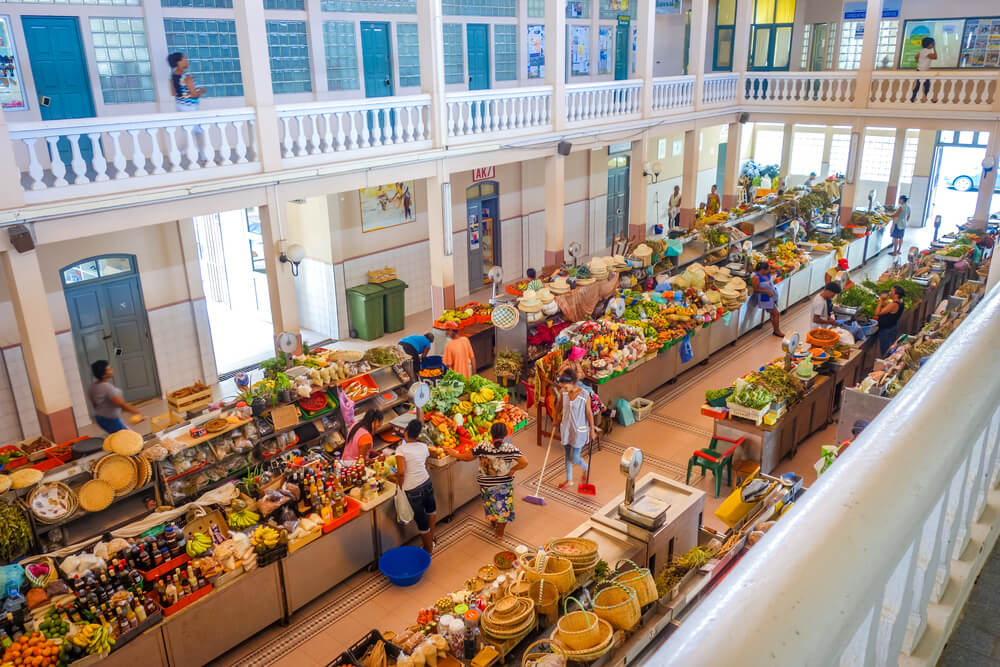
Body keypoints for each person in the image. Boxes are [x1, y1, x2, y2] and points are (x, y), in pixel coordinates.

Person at [446, 422, 528, 539]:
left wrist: (456, 454)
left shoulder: (482, 446)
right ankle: (499, 534)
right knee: (503, 509)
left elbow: (468, 457)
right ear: (505, 435)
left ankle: (493, 522)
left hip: (486, 485)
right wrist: (513, 469)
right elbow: (525, 462)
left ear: (491, 434)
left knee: (490, 505)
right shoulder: (510, 448)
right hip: (503, 485)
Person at [394, 417, 436, 554]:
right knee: (431, 510)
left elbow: (401, 472)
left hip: (412, 488)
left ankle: (428, 549)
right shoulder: (424, 447)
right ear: (418, 435)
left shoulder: (401, 450)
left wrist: (399, 486)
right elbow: (425, 465)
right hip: (426, 481)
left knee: (421, 520)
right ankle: (432, 538)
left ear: (405, 432)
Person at [557, 370, 596, 491]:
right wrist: (555, 418)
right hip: (567, 428)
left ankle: (585, 467)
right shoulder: (563, 392)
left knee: (574, 457)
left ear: (573, 382)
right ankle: (569, 480)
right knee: (567, 455)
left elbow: (589, 413)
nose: (564, 388)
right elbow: (559, 404)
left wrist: (592, 430)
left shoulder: (585, 395)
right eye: (562, 386)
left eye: (566, 386)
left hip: (579, 430)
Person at [168, 52, 207, 163]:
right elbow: (194, 94)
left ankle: (203, 157)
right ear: (178, 62)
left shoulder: (172, 77)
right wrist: (202, 91)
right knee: (196, 133)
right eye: (184, 59)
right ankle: (203, 158)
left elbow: (173, 93)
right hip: (190, 108)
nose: (187, 61)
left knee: (192, 133)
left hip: (180, 107)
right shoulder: (187, 77)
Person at [87, 360, 144, 434]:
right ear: (103, 374)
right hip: (110, 420)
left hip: (100, 418)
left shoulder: (92, 387)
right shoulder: (107, 387)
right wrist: (136, 412)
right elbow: (121, 404)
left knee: (124, 434)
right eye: (109, 369)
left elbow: (95, 404)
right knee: (127, 438)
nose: (112, 370)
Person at [751, 261, 783, 337]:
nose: (769, 270)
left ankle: (775, 329)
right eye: (767, 269)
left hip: (772, 297)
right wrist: (766, 291)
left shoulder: (767, 274)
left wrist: (771, 266)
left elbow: (779, 269)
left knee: (773, 314)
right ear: (762, 269)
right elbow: (755, 289)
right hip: (765, 299)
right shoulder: (756, 277)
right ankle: (777, 331)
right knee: (776, 313)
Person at [874, 285, 905, 355]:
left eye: (891, 291)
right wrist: (883, 302)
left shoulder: (894, 304)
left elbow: (877, 313)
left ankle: (886, 363)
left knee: (886, 351)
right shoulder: (900, 301)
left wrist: (881, 300)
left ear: (896, 295)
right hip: (892, 327)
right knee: (891, 347)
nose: (889, 292)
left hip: (886, 331)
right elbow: (889, 308)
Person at [911, 37, 937, 103]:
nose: (933, 44)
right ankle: (916, 98)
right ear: (929, 44)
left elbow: (916, 56)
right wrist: (934, 48)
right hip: (922, 71)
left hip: (921, 70)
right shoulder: (926, 51)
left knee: (923, 85)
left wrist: (919, 62)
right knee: (923, 85)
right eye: (933, 43)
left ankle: (915, 98)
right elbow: (935, 57)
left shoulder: (923, 50)